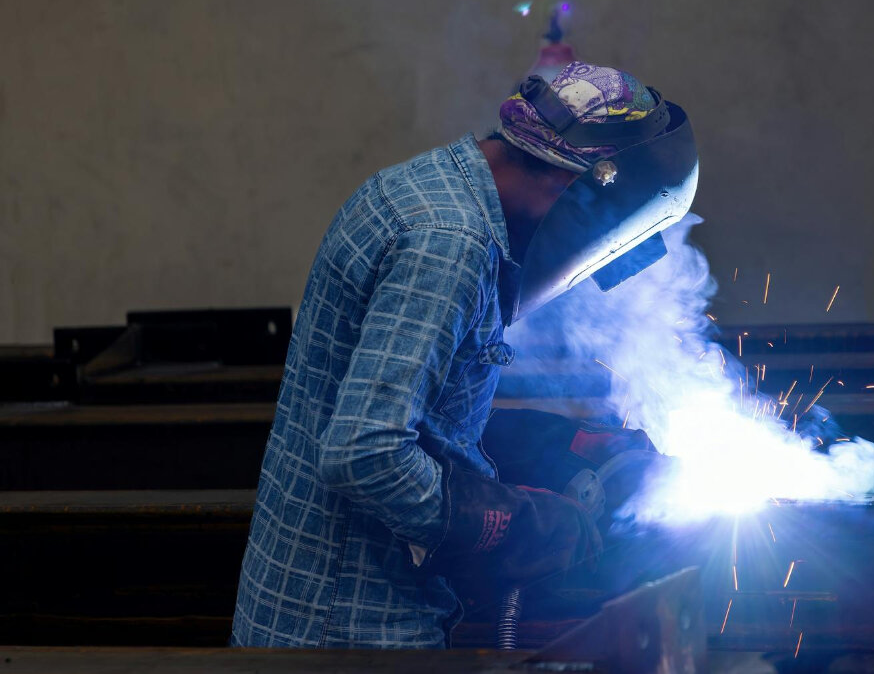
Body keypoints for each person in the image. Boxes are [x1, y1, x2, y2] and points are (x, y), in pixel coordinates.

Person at [231, 61, 697, 648]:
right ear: (570, 184)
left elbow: (387, 401)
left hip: (316, 606)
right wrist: (509, 524)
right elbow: (364, 454)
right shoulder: (452, 245)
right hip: (351, 629)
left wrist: (543, 443)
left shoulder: (429, 186)